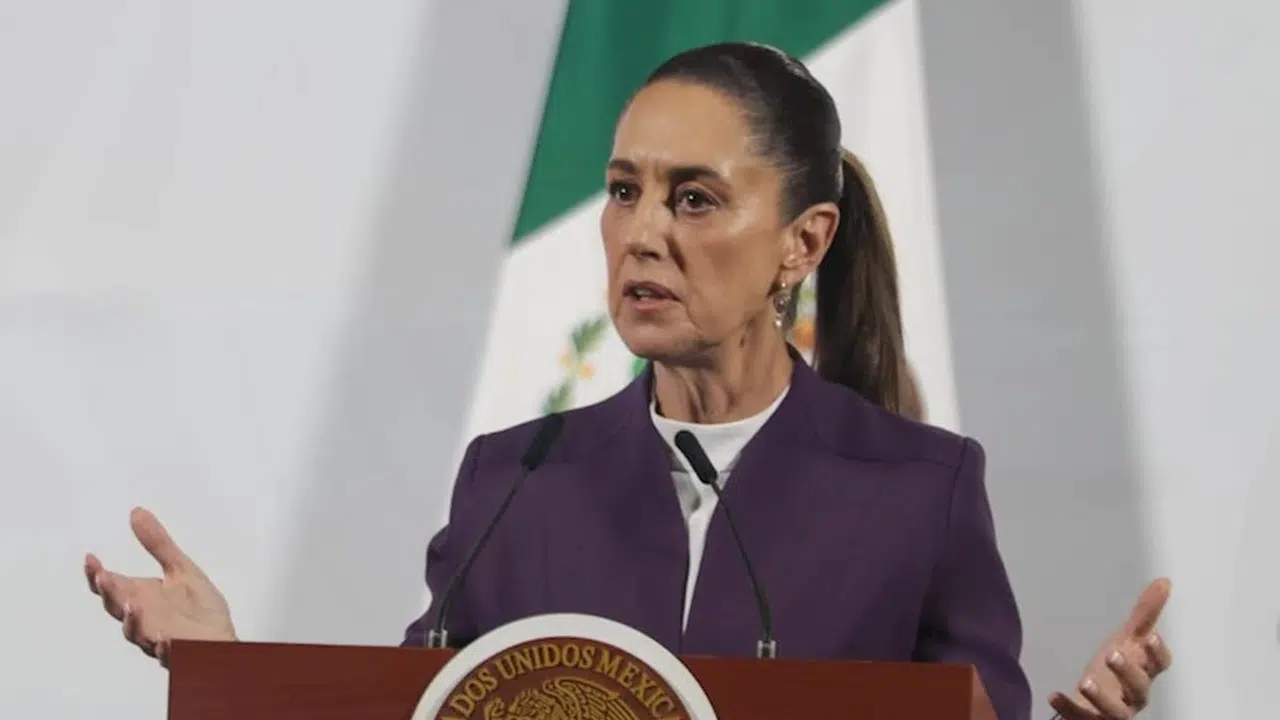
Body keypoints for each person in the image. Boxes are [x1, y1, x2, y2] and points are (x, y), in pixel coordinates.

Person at [84, 42, 1172, 720]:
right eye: (621, 191)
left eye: (693, 198)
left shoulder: (921, 488)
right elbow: (419, 711)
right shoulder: (513, 480)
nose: (642, 233)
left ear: (802, 242)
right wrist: (223, 669)